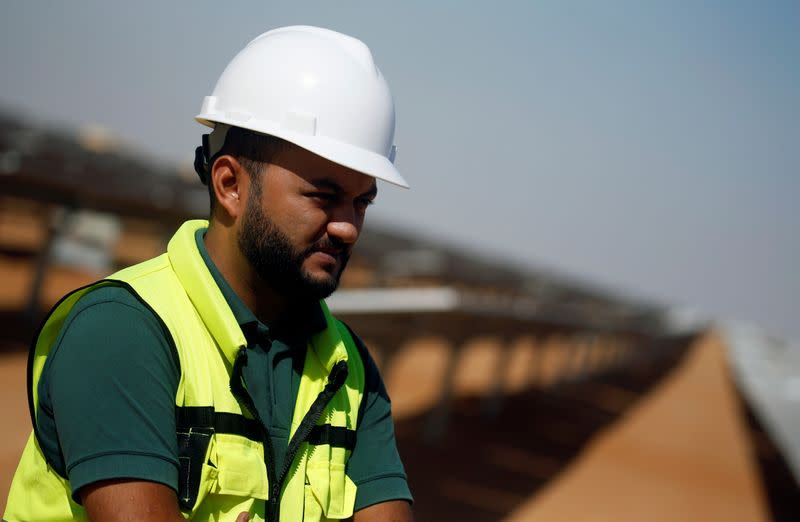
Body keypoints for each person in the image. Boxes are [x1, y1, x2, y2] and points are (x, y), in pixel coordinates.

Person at [5, 26, 413, 522]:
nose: (348, 227)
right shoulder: (123, 330)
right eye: (323, 197)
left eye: (362, 201)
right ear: (229, 185)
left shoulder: (350, 369)